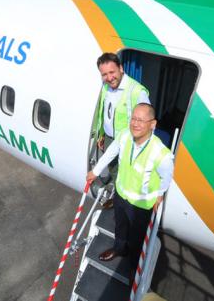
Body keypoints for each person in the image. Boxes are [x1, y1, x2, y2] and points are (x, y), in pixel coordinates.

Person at [87, 103, 174, 272]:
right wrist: (95, 171)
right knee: (120, 226)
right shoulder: (125, 135)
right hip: (120, 195)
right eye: (133, 119)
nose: (135, 123)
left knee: (137, 237)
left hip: (141, 205)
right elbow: (111, 152)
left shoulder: (162, 154)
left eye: (141, 120)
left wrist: (159, 195)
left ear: (152, 124)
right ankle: (119, 249)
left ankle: (134, 266)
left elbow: (166, 178)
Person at [95, 53, 149, 154]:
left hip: (127, 146)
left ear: (121, 68)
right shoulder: (105, 87)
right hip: (108, 140)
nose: (109, 78)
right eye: (104, 74)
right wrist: (102, 134)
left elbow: (148, 125)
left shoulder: (137, 91)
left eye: (112, 72)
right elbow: (106, 114)